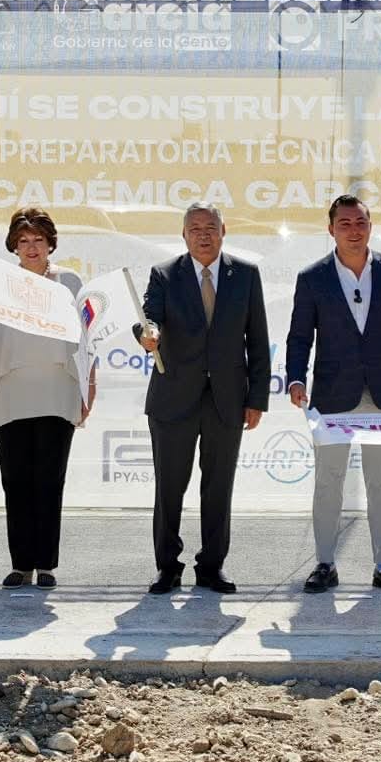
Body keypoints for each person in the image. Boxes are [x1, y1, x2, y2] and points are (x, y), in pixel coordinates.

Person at [286, 194, 381, 595]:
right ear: (330, 229)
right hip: (331, 396)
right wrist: (296, 378)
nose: (353, 230)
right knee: (328, 482)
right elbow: (299, 337)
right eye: (344, 223)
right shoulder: (313, 277)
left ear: (370, 226)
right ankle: (325, 563)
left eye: (360, 222)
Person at [137, 203, 270, 594]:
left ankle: (212, 566)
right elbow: (149, 316)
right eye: (195, 228)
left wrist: (257, 398)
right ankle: (167, 566)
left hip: (227, 400)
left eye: (210, 226)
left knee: (218, 487)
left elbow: (258, 341)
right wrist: (148, 335)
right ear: (183, 234)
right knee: (169, 487)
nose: (203, 234)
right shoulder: (165, 274)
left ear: (223, 230)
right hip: (173, 398)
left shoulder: (244, 275)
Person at [0, 210, 93, 589]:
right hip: (10, 393)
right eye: (23, 241)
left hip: (57, 389)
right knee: (15, 481)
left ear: (50, 242)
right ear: (13, 246)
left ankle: (46, 564)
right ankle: (21, 563)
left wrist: (89, 386)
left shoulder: (69, 282)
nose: (31, 248)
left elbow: (86, 341)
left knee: (49, 481)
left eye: (38, 240)